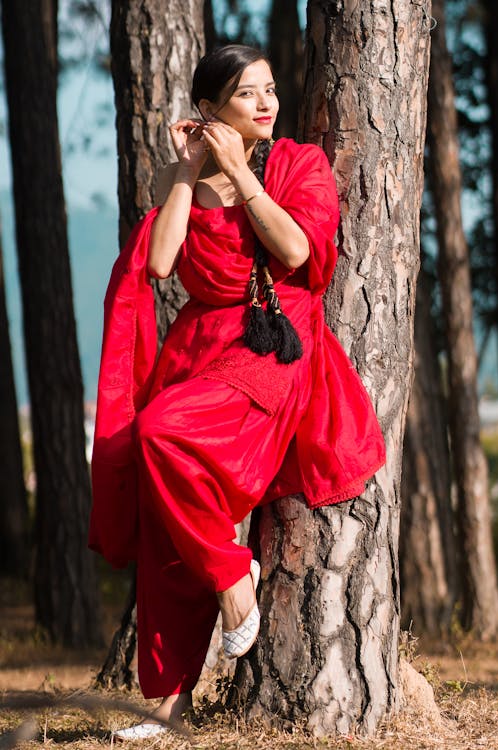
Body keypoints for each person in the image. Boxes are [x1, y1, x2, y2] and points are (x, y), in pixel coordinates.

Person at [89, 45, 385, 740]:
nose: (266, 104)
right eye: (247, 94)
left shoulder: (297, 166)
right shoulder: (183, 177)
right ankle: (167, 702)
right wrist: (191, 172)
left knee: (163, 432)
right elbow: (161, 262)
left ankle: (231, 578)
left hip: (271, 344)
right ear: (209, 110)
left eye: (270, 89)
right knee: (168, 514)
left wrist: (238, 176)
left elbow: (295, 252)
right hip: (197, 352)